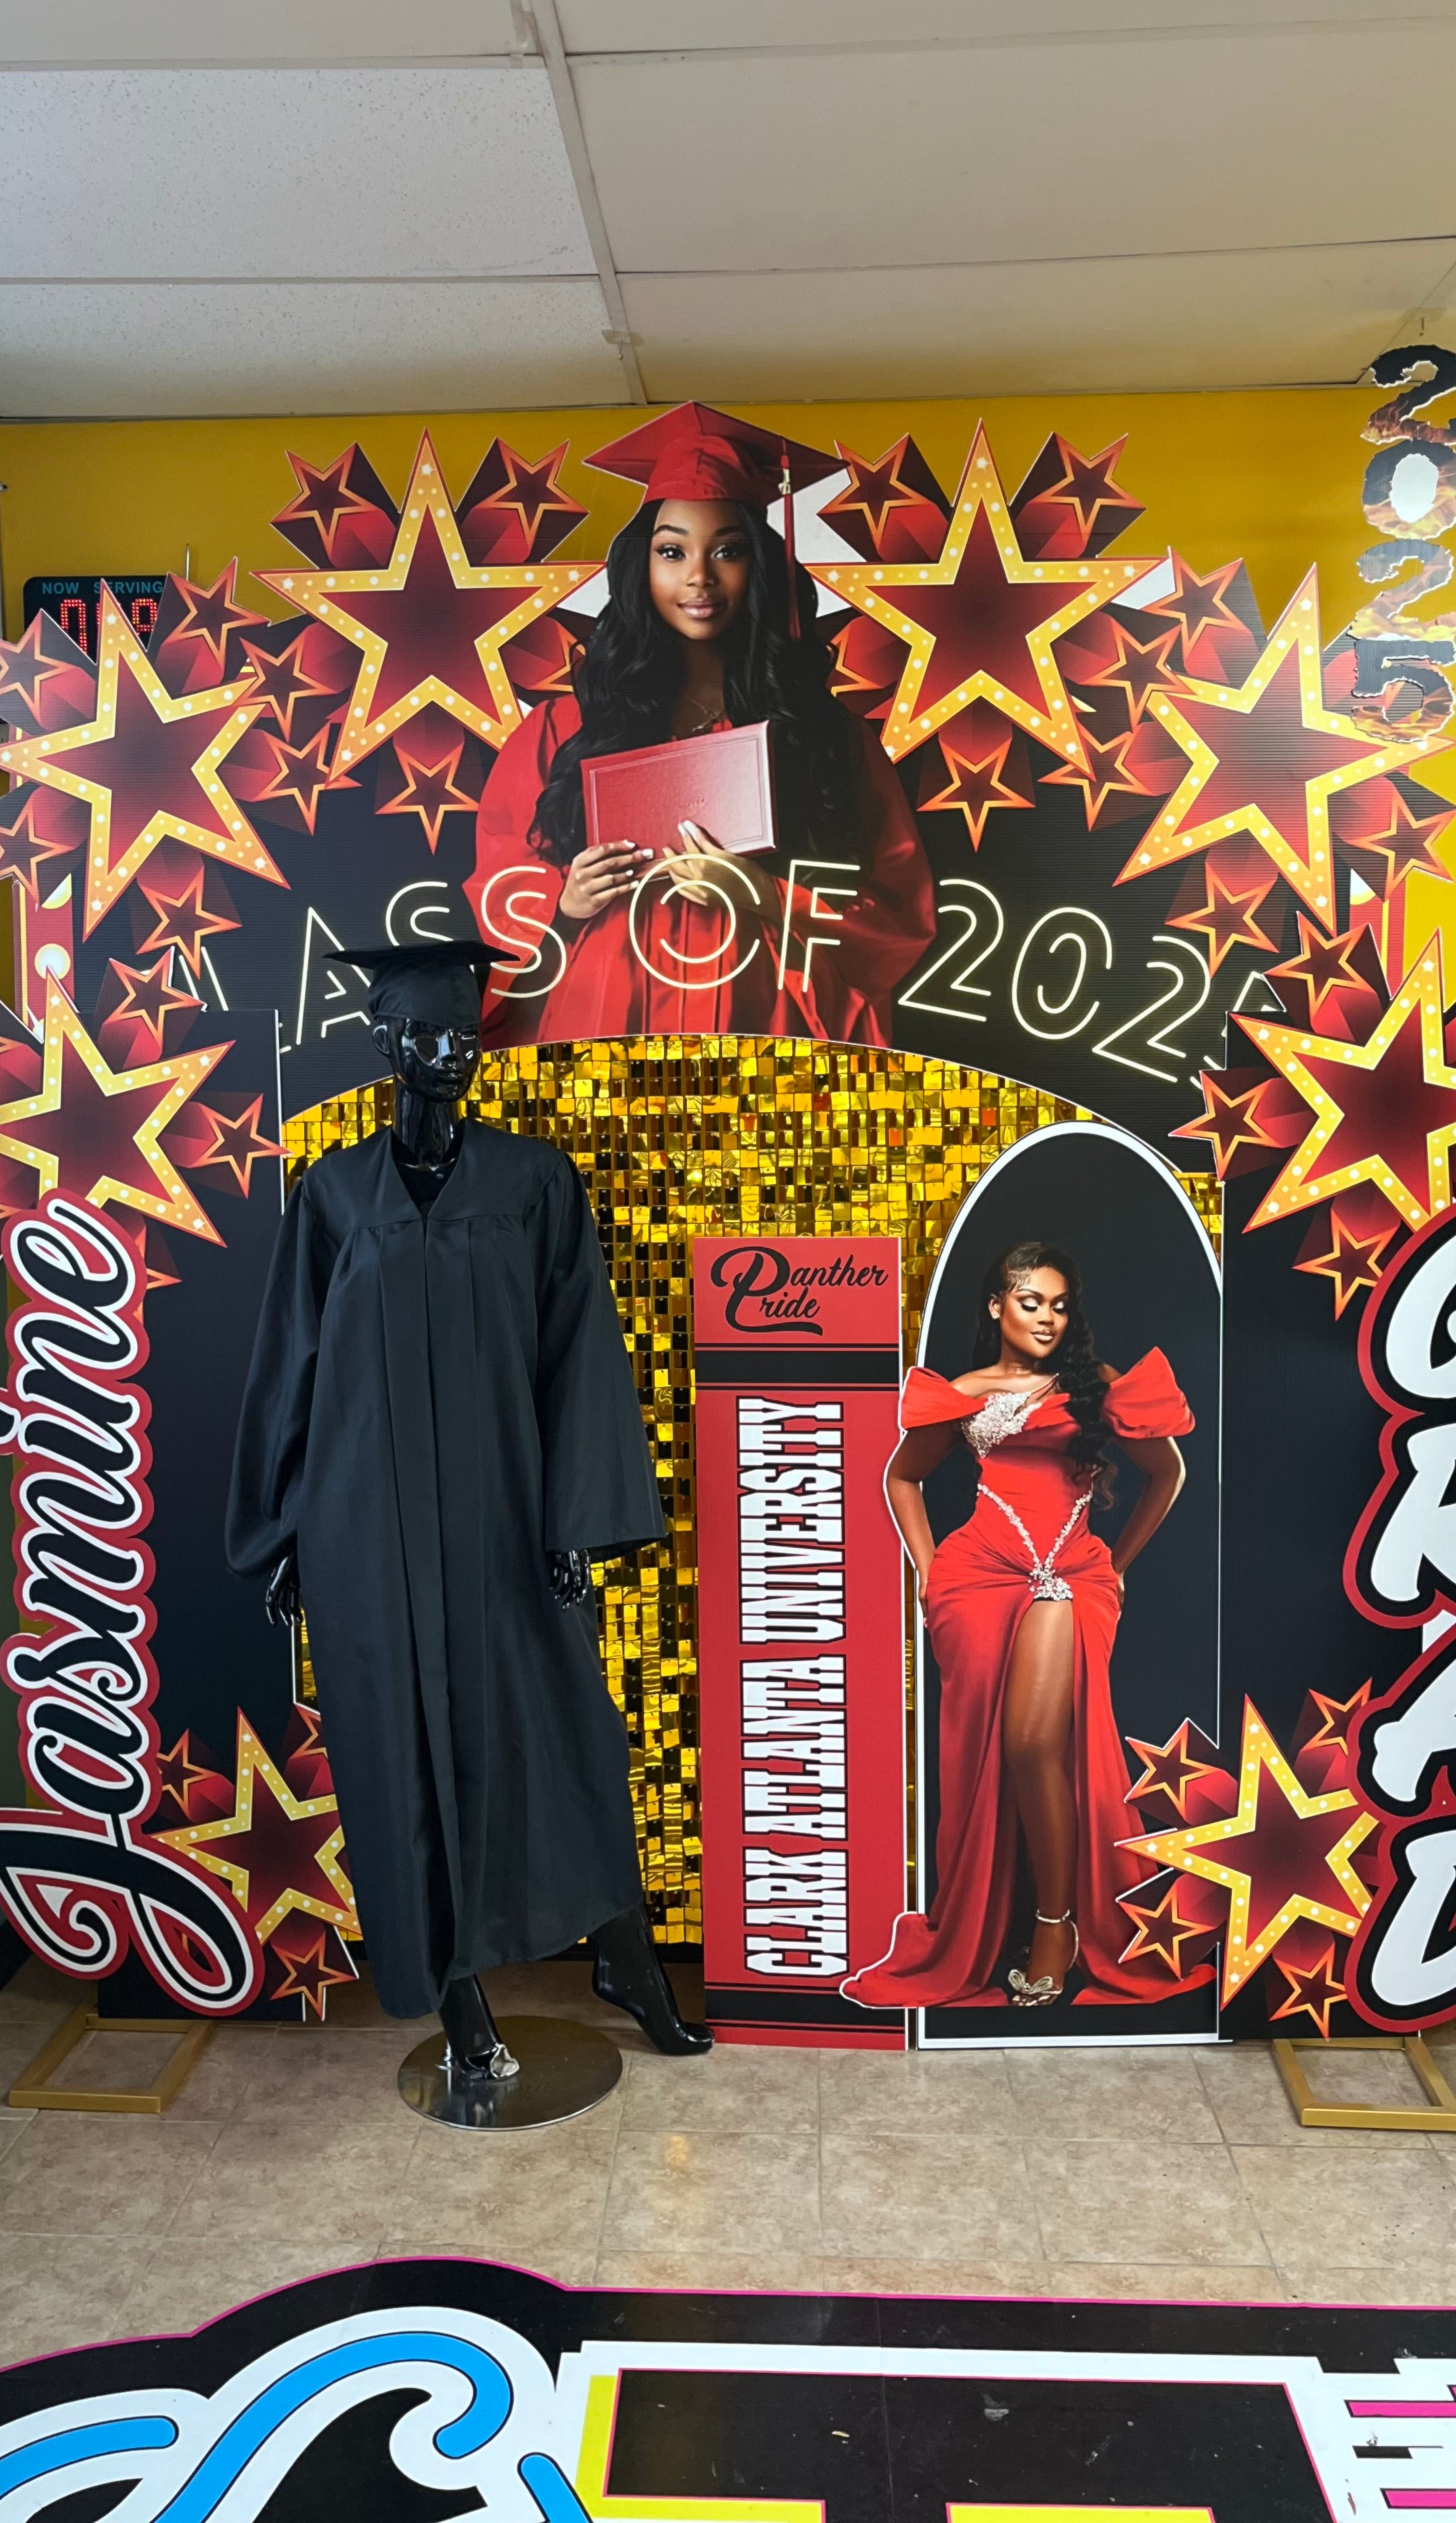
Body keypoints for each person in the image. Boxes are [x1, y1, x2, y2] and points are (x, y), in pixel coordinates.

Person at [226, 937, 710, 2077]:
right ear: (387, 1042)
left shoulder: (533, 1182)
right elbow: (288, 1365)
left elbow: (577, 1356)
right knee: (400, 1769)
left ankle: (625, 1957)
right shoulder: (335, 1195)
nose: (450, 1054)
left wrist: (575, 1521)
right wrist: (281, 1532)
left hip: (503, 1522)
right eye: (426, 1034)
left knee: (564, 1743)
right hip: (368, 1534)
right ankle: (461, 2006)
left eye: (464, 1034)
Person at [467, 403, 934, 1043]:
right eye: (671, 550)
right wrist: (565, 900)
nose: (698, 577)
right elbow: (500, 886)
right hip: (602, 1017)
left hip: (763, 1019)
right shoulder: (563, 729)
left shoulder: (823, 734)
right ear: (642, 567)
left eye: (728, 551)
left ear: (760, 568)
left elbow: (897, 913)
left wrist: (767, 895)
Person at [843, 1244, 1195, 2013]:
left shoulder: (1096, 1386)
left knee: (1036, 1742)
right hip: (976, 1578)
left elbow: (1167, 1474)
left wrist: (1121, 1562)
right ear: (998, 1306)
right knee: (980, 1752)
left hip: (1070, 1573)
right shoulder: (964, 1391)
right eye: (1032, 1301)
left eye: (1060, 1304)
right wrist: (930, 1570)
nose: (1047, 1317)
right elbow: (900, 1477)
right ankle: (984, 1924)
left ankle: (1057, 1925)